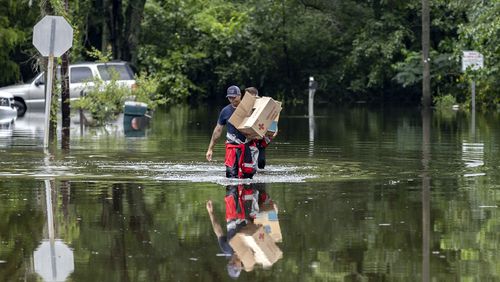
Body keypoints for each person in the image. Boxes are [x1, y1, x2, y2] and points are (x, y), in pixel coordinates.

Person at [206, 85, 258, 178]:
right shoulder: (225, 111)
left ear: (240, 95)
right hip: (232, 147)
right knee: (230, 176)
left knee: (248, 175)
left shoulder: (250, 109)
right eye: (229, 97)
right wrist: (210, 149)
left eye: (234, 97)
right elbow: (218, 130)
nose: (232, 99)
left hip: (247, 147)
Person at [206, 185, 248, 279]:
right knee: (247, 186)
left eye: (231, 264)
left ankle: (232, 173)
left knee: (232, 186)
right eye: (235, 265)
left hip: (232, 215)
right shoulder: (248, 253)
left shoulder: (227, 250)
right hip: (246, 213)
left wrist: (211, 213)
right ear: (240, 266)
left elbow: (219, 232)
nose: (233, 262)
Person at [243, 87, 278, 169]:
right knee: (247, 162)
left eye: (248, 96)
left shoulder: (263, 106)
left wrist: (274, 131)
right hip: (248, 139)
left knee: (261, 162)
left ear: (255, 95)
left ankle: (260, 177)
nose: (246, 98)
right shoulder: (243, 107)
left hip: (261, 139)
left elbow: (272, 120)